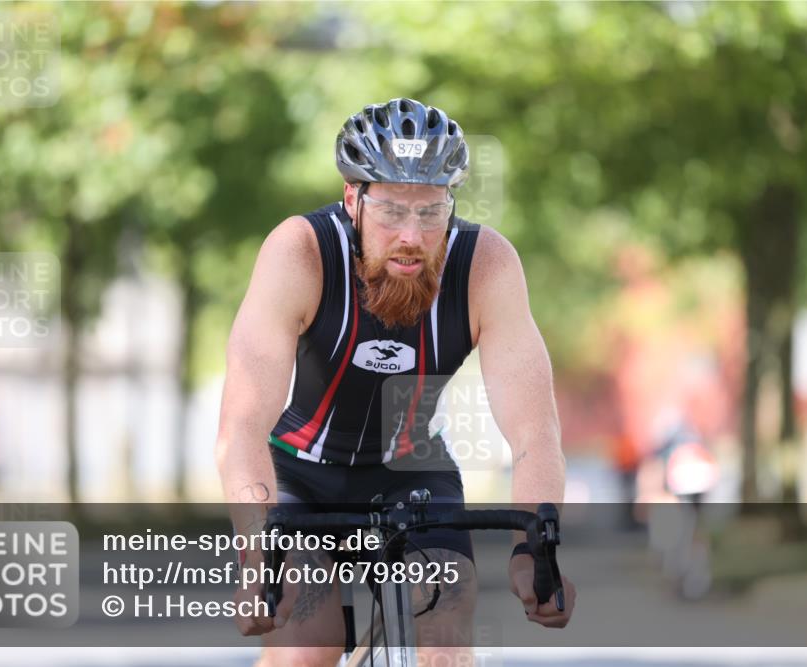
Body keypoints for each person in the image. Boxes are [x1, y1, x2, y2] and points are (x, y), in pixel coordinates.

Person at [215, 97, 575, 667]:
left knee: (445, 641)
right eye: (391, 211)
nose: (411, 235)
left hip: (414, 472)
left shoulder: (486, 266)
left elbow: (535, 432)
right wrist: (258, 557)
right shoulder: (300, 253)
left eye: (431, 211)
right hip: (299, 478)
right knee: (308, 645)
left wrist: (533, 552)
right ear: (352, 198)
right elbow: (241, 426)